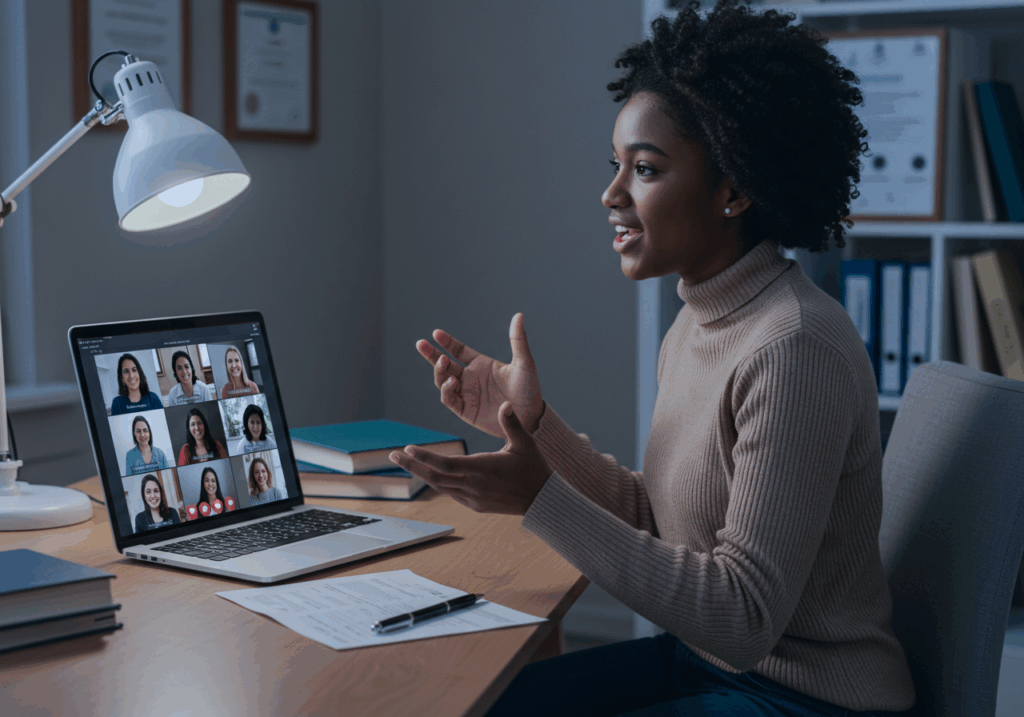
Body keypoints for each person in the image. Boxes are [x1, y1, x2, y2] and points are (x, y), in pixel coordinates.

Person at [389, 3, 916, 715]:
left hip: (801, 697)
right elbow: (662, 517)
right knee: (471, 699)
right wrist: (533, 423)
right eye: (617, 166)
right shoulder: (696, 324)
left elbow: (742, 616)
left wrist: (538, 498)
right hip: (707, 665)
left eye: (645, 169)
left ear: (733, 190)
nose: (611, 195)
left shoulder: (794, 347)